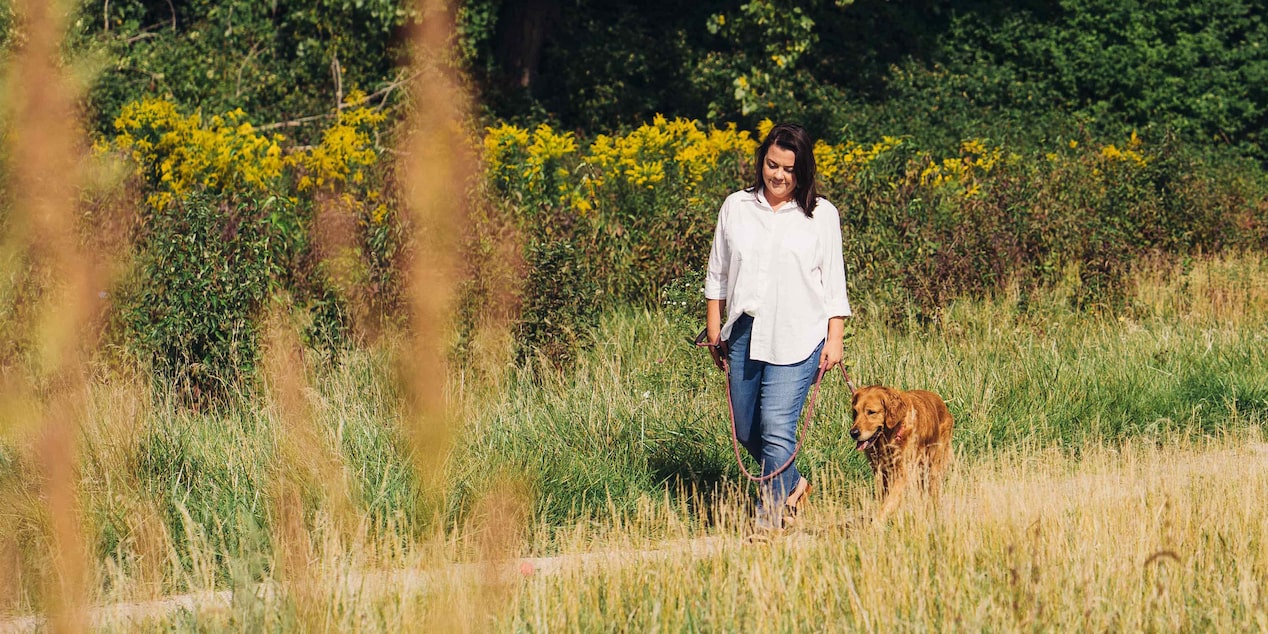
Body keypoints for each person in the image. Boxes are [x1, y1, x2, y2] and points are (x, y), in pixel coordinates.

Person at [703, 122, 851, 531]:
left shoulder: (822, 215)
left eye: (789, 168)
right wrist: (715, 326)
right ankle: (794, 483)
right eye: (772, 165)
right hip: (744, 331)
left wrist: (835, 338)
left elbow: (834, 282)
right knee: (749, 430)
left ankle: (767, 521)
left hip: (799, 333)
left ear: (802, 171)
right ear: (761, 162)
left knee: (776, 428)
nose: (779, 175)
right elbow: (717, 272)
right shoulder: (736, 206)